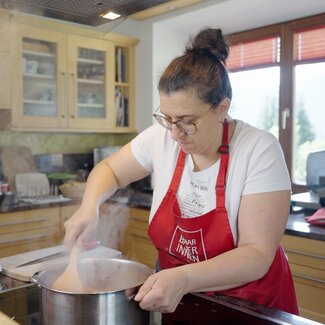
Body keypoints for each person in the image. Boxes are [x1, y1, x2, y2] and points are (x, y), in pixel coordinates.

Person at [64, 28, 298, 317]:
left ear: (221, 108)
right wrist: (90, 207)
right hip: (180, 302)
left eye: (187, 121)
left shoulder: (259, 150)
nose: (175, 133)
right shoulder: (162, 137)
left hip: (248, 307)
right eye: (167, 118)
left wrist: (184, 277)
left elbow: (257, 255)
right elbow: (109, 169)